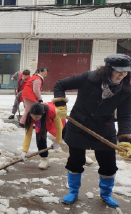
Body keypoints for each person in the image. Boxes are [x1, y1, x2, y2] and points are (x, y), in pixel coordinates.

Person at [54, 54, 131, 208]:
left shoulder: (126, 89)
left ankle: (105, 195)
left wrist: (125, 140)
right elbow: (60, 84)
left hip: (104, 128)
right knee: (75, 162)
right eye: (118, 71)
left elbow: (125, 115)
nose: (122, 75)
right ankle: (73, 192)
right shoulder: (88, 78)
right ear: (108, 69)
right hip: (79, 126)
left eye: (125, 71)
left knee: (109, 165)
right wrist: (61, 104)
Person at [20, 102, 66, 169]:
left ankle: (79, 154)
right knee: (40, 139)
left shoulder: (53, 111)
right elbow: (28, 135)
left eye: (37, 117)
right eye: (33, 117)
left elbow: (59, 128)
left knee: (67, 136)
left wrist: (57, 141)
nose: (34, 119)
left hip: (57, 120)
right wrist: (24, 151)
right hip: (41, 123)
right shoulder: (30, 117)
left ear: (43, 112)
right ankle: (44, 159)